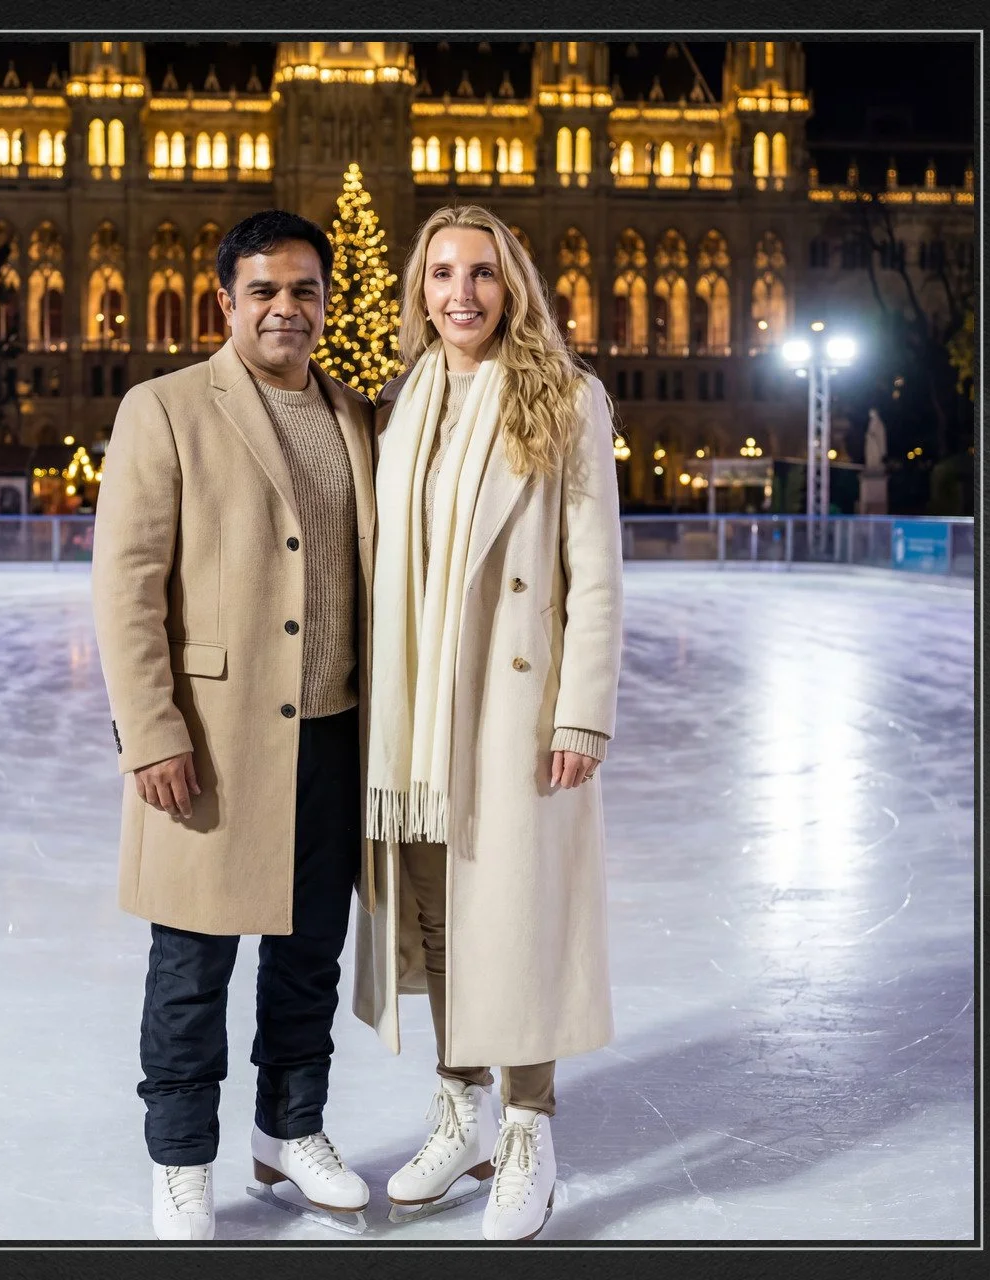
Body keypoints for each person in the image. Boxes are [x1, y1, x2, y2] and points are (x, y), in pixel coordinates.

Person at [92, 210, 377, 1240]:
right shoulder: (164, 408)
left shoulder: (359, 414)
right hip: (210, 737)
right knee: (193, 959)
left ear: (327, 302)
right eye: (264, 290)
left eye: (304, 290)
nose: (285, 309)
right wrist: (153, 729)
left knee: (310, 955)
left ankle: (289, 1130)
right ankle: (181, 1156)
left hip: (337, 734)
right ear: (227, 301)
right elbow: (127, 586)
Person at [351, 204, 624, 1242]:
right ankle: (459, 1101)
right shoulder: (405, 399)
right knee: (435, 920)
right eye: (441, 274)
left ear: (513, 285)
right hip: (413, 712)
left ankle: (527, 1126)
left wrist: (581, 714)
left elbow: (594, 573)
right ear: (420, 291)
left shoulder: (565, 397)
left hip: (513, 704)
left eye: (481, 273)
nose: (460, 294)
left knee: (515, 915)